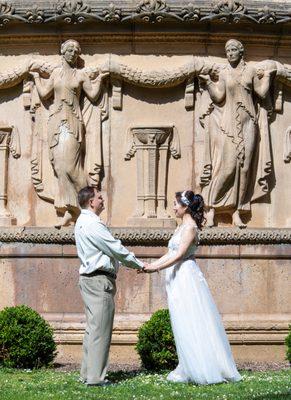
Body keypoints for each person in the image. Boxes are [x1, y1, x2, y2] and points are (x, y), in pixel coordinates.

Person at [144, 190, 242, 384]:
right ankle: (187, 364)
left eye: (175, 204)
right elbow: (169, 253)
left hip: (186, 277)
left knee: (190, 319)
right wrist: (150, 266)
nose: (173, 207)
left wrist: (155, 268)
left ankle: (200, 367)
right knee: (181, 320)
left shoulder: (190, 228)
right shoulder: (180, 228)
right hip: (176, 276)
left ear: (185, 207)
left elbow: (179, 255)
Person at [30, 40, 108, 227]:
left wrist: (101, 79)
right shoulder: (56, 73)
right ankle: (72, 211)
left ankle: (90, 203)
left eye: (75, 51)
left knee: (71, 168)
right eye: (69, 50)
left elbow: (94, 95)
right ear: (62, 52)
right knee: (59, 167)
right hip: (56, 123)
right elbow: (44, 93)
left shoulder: (81, 75)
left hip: (73, 123)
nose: (72, 53)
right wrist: (36, 78)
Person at [199, 39, 274, 228]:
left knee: (245, 168)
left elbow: (262, 93)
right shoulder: (224, 73)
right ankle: (211, 208)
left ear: (241, 52)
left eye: (233, 50)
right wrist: (208, 82)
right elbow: (218, 96)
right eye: (227, 51)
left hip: (249, 123)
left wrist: (268, 77)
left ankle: (237, 211)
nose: (230, 53)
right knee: (227, 167)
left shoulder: (250, 71)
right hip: (229, 124)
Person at [74, 186, 144, 386]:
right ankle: (96, 379)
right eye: (99, 198)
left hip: (90, 280)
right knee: (100, 331)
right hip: (98, 281)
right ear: (91, 202)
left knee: (93, 330)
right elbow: (115, 248)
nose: (102, 200)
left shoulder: (82, 222)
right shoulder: (93, 223)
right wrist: (139, 264)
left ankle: (87, 374)